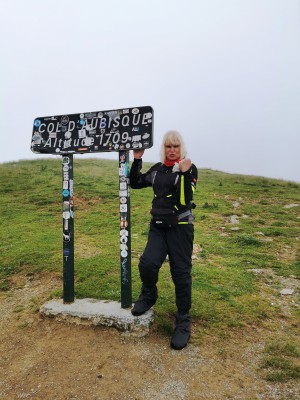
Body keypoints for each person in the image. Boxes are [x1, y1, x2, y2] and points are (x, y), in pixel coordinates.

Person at [130, 130, 197, 350]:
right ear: (163, 148)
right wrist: (137, 159)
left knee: (181, 274)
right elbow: (136, 182)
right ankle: (149, 294)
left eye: (175, 146)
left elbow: (185, 200)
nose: (171, 150)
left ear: (181, 148)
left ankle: (183, 320)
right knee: (148, 263)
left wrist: (185, 175)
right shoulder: (158, 170)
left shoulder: (189, 168)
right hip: (158, 227)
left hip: (181, 228)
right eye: (168, 146)